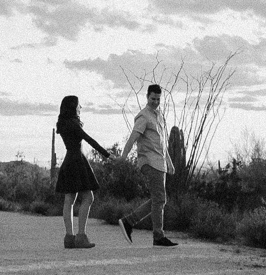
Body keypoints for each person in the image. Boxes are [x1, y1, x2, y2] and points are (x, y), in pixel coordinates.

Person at [117, 84, 178, 247]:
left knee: (158, 199)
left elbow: (162, 144)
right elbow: (133, 138)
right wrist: (123, 156)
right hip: (149, 161)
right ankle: (157, 236)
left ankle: (130, 222)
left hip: (160, 162)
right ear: (147, 97)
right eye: (153, 99)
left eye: (158, 99)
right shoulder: (143, 116)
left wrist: (169, 162)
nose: (155, 102)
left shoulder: (159, 115)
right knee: (159, 199)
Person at [55, 95, 112, 248]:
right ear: (74, 106)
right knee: (88, 197)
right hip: (77, 161)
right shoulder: (73, 123)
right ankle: (81, 236)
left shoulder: (63, 123)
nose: (81, 108)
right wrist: (106, 154)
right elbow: (88, 139)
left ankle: (69, 237)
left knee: (69, 199)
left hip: (68, 161)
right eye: (79, 105)